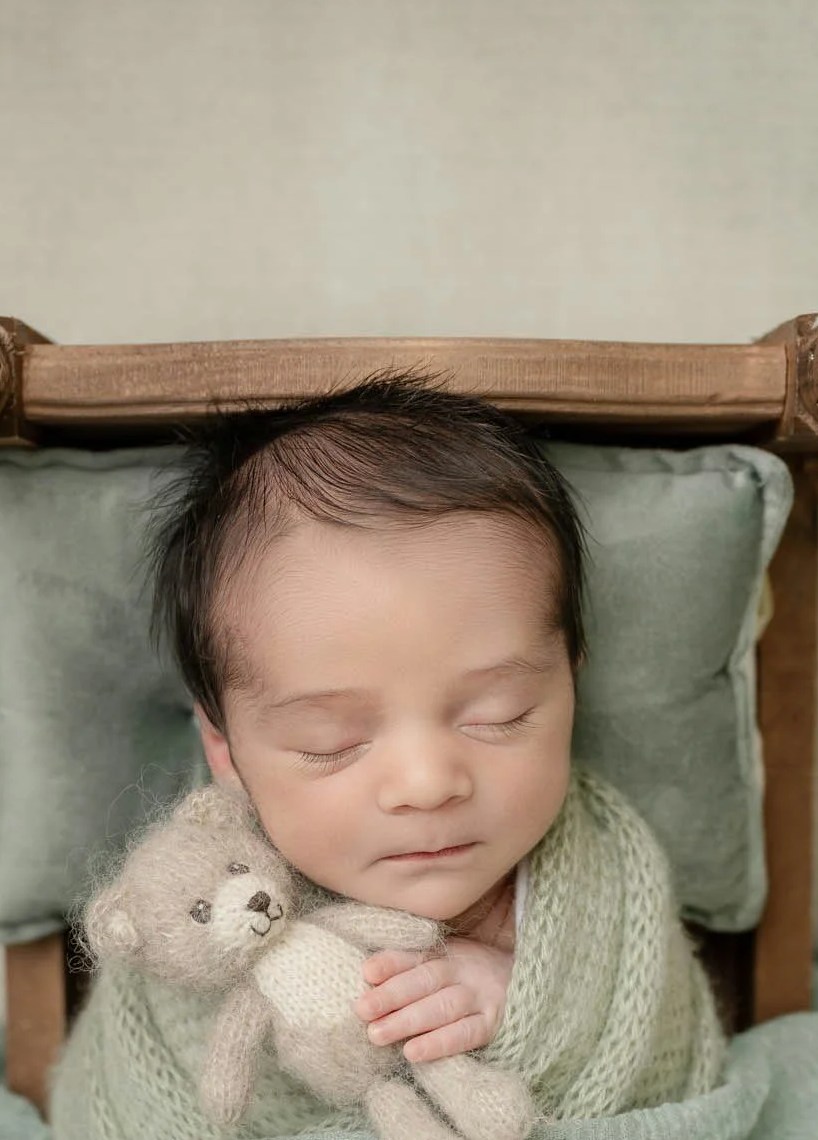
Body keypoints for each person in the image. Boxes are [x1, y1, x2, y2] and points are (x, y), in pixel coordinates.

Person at [144, 369, 586, 1068]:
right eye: (332, 743)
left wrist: (534, 1001)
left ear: (570, 686)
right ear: (225, 752)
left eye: (499, 714)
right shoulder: (193, 895)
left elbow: (666, 1038)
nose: (426, 784)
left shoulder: (601, 872)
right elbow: (147, 1103)